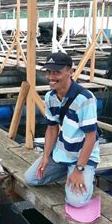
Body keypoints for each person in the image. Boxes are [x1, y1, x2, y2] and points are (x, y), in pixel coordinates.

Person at [24, 52, 100, 208]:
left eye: (57, 72)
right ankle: (67, 170)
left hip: (82, 156)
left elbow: (91, 137)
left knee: (76, 202)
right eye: (48, 72)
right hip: (62, 151)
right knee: (30, 178)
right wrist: (46, 156)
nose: (51, 77)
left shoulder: (86, 98)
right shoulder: (50, 97)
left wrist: (79, 170)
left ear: (70, 72)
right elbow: (51, 129)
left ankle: (84, 173)